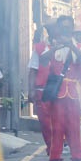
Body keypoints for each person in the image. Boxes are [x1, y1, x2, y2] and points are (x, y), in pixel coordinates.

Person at [46, 17, 81, 161]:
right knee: (57, 128)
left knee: (74, 128)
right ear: (58, 28)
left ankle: (76, 160)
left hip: (74, 92)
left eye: (68, 27)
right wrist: (55, 48)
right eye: (62, 27)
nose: (65, 30)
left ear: (72, 28)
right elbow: (43, 59)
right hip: (58, 92)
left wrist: (72, 46)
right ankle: (55, 160)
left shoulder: (79, 46)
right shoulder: (53, 45)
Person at [28, 26, 54, 154]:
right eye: (52, 29)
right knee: (45, 122)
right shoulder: (39, 48)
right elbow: (33, 70)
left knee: (60, 119)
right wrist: (31, 90)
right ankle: (51, 147)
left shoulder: (67, 45)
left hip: (61, 90)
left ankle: (61, 145)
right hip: (42, 90)